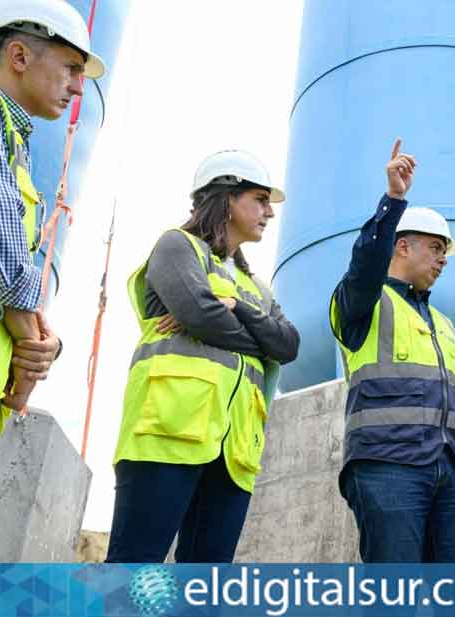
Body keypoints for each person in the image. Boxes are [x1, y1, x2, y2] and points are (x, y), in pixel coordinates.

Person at [0, 0, 105, 562]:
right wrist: (31, 331)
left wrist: (37, 344)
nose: (78, 87)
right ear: (17, 55)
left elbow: (9, 271)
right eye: (71, 68)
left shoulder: (10, 144)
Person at [106, 150, 299, 563]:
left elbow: (288, 346)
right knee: (133, 572)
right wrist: (256, 338)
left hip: (234, 450)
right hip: (166, 434)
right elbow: (200, 314)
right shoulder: (178, 247)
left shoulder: (256, 287)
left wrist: (241, 310)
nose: (269, 212)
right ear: (227, 198)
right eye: (260, 200)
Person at [332, 139, 455, 563]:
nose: (443, 260)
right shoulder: (363, 302)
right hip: (386, 466)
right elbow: (363, 265)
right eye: (436, 248)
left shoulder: (443, 325)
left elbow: (450, 391)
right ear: (401, 246)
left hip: (449, 469)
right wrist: (393, 200)